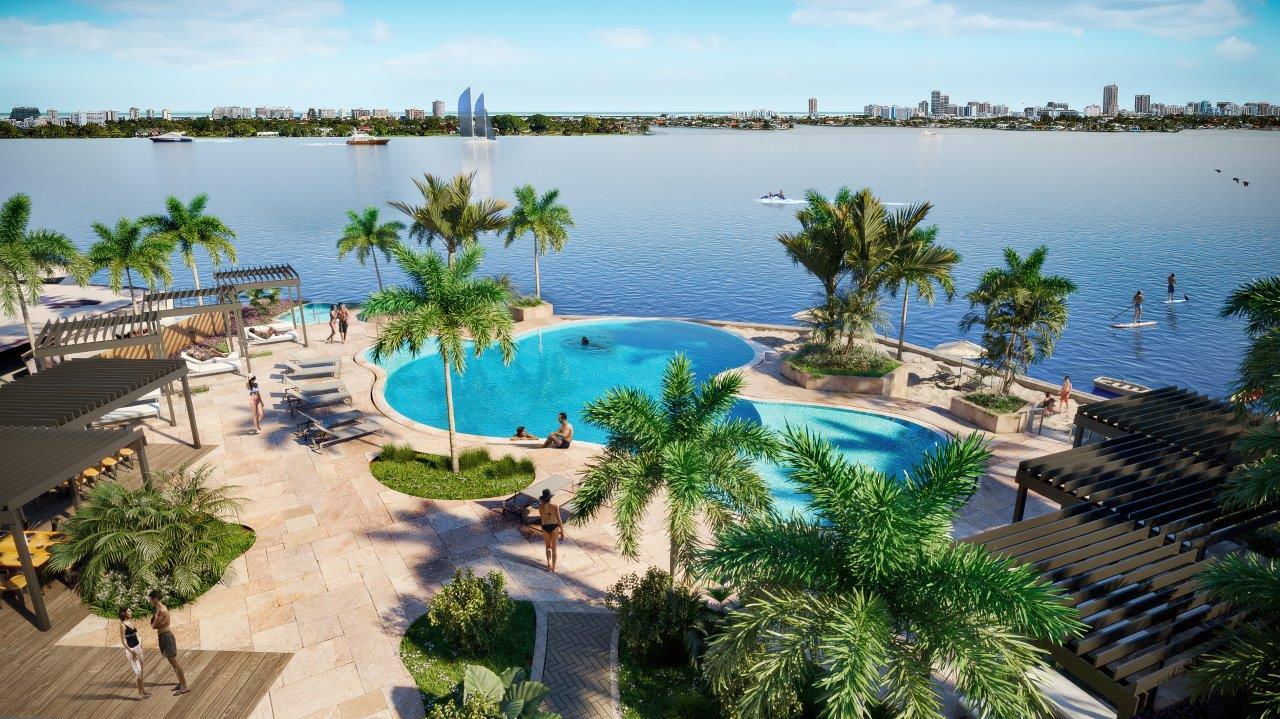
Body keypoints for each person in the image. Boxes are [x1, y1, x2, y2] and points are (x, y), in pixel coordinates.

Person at [148, 590, 189, 695]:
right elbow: (153, 624)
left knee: (174, 661)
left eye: (151, 599)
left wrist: (156, 620)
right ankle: (180, 683)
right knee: (172, 662)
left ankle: (184, 686)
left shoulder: (161, 610)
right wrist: (156, 622)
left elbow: (153, 626)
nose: (150, 601)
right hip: (162, 637)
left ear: (155, 599)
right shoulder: (158, 610)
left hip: (167, 637)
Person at [119, 607, 150, 700]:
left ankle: (143, 691)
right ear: (124, 613)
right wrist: (131, 651)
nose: (131, 612)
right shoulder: (123, 625)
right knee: (138, 672)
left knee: (142, 671)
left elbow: (136, 635)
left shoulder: (130, 622)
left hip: (138, 648)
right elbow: (123, 641)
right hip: (131, 649)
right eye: (129, 611)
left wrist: (140, 645)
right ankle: (139, 693)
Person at [538, 489, 565, 571]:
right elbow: (559, 519)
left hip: (545, 527)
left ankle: (548, 563)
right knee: (554, 548)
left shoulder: (540, 507)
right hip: (554, 527)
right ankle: (553, 567)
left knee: (548, 547)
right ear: (550, 497)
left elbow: (542, 518)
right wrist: (562, 532)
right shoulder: (555, 506)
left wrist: (542, 528)